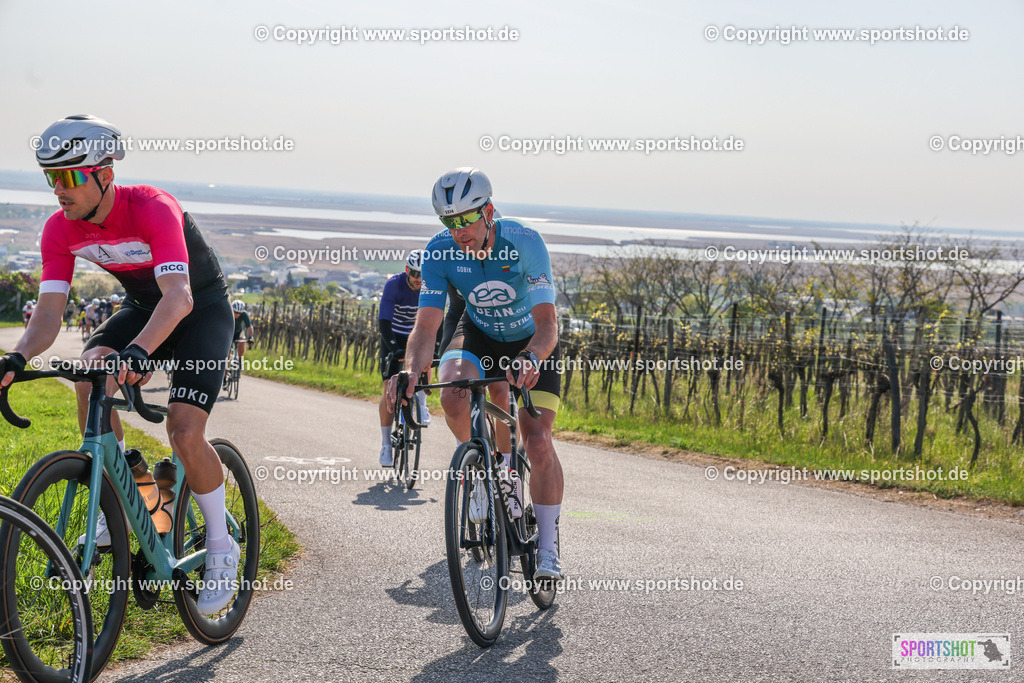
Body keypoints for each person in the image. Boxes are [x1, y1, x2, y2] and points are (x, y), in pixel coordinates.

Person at [0, 114, 238, 615]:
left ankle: (221, 546)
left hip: (199, 309)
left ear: (104, 173)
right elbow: (47, 313)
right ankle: (128, 494)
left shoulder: (153, 208)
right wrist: (18, 356)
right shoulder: (59, 230)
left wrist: (140, 352)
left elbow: (179, 297)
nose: (57, 190)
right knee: (90, 375)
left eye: (68, 177)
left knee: (184, 432)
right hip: (141, 307)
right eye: (50, 177)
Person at [388, 168, 564, 581]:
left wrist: (533, 358)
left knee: (537, 442)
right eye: (449, 222)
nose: (458, 231)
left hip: (531, 341)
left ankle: (549, 548)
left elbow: (548, 326)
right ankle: (482, 471)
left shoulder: (524, 242)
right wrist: (412, 372)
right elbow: (426, 327)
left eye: (466, 220)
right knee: (452, 395)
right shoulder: (438, 252)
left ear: (487, 211)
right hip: (480, 333)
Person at [378, 250, 430, 466]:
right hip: (394, 335)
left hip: (417, 334)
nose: (419, 280)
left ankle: (422, 402)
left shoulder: (428, 288)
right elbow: (384, 322)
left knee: (428, 361)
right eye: (415, 274)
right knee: (388, 391)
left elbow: (438, 321)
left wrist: (434, 349)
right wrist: (393, 348)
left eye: (422, 275)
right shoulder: (394, 285)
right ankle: (385, 445)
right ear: (407, 271)